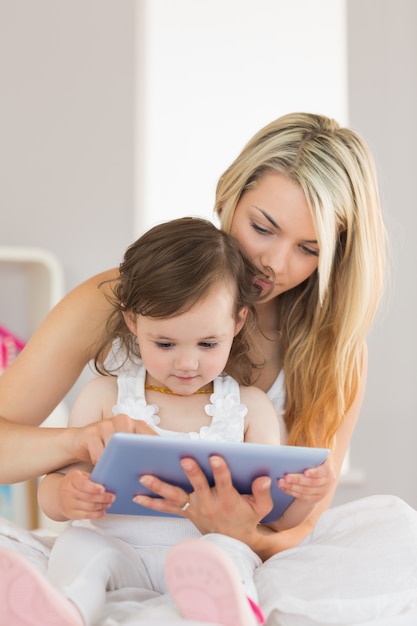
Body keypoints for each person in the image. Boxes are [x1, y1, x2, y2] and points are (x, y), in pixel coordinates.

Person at [0, 113, 389, 623]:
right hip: (117, 549)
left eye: (308, 249)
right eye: (262, 227)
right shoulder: (117, 298)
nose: (273, 262)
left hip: (232, 560)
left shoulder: (333, 351)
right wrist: (78, 448)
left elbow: (302, 522)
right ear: (229, 194)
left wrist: (240, 534)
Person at [1, 216, 300, 626]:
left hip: (204, 556)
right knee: (80, 544)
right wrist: (67, 495)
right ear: (132, 322)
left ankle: (227, 610)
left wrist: (298, 494)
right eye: (165, 343)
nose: (187, 363)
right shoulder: (105, 398)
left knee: (227, 554)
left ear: (238, 322)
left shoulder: (251, 408)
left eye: (208, 344)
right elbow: (52, 493)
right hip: (121, 551)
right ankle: (67, 608)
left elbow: (274, 514)